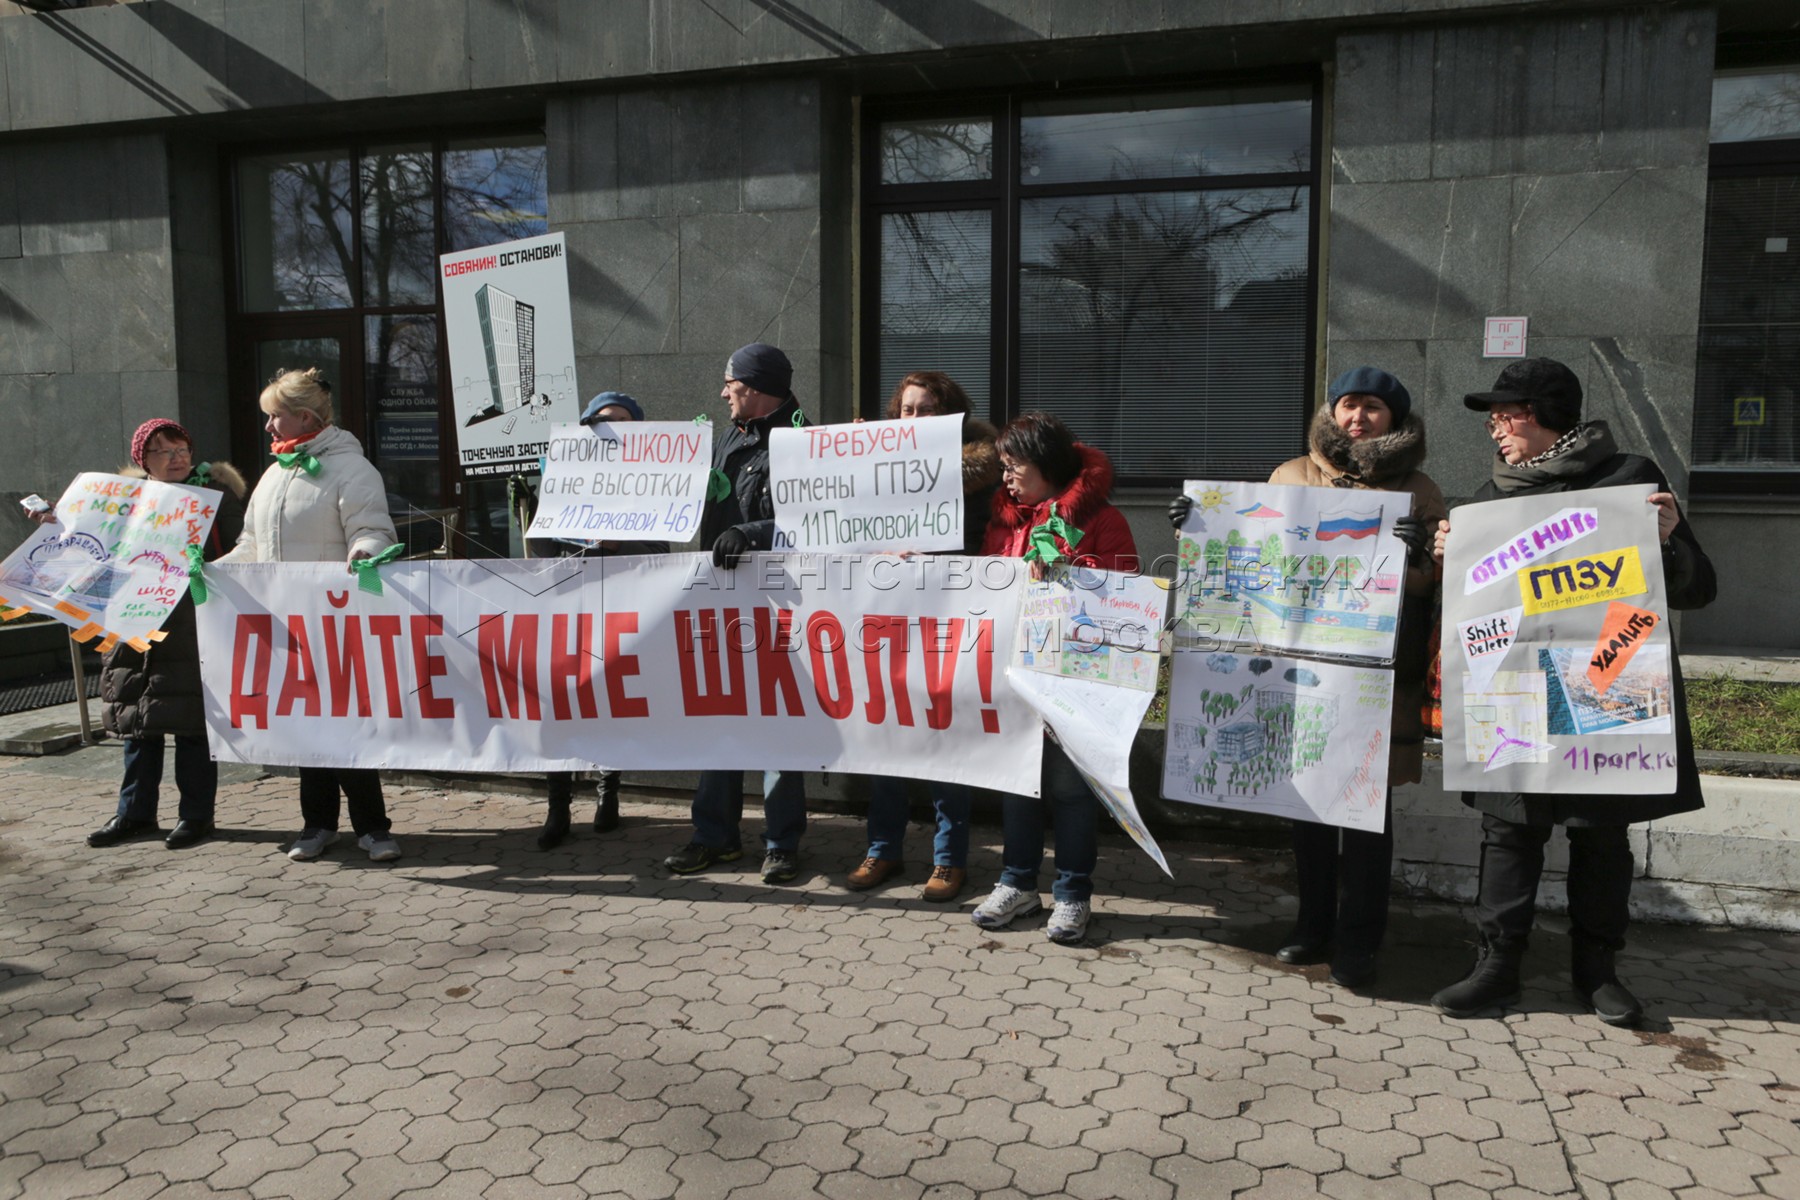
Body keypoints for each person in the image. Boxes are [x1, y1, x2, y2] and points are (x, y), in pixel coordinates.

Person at [1429, 357, 1716, 1027]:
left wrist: (1670, 541)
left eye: (1508, 415)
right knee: (1508, 831)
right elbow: (1470, 615)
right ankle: (1496, 968)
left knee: (1599, 835)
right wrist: (1449, 561)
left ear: (1550, 415)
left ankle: (1597, 972)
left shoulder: (1632, 481)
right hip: (1517, 692)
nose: (1496, 430)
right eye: (1494, 419)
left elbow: (1700, 588)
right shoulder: (1485, 501)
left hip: (1604, 685)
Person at [1169, 368, 1444, 988]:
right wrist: (1195, 522)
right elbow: (1253, 550)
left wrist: (1416, 556)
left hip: (1375, 674)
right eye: (1348, 405)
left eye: (1373, 408)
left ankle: (1361, 939)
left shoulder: (1419, 488)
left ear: (1394, 420)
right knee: (1308, 807)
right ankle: (1311, 924)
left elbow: (1436, 581)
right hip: (1298, 669)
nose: (1358, 418)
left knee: (1366, 817)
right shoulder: (1291, 476)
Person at [218, 368, 405, 864]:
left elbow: (372, 530)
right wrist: (213, 572)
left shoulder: (353, 470)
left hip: (337, 625)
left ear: (303, 417)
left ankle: (373, 827)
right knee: (304, 728)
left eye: (274, 416)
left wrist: (365, 553)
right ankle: (317, 823)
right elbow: (251, 546)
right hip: (285, 625)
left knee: (346, 728)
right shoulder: (272, 475)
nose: (267, 428)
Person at [37, 420, 248, 849]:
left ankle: (195, 816)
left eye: (182, 449)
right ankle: (133, 814)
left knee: (191, 727)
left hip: (192, 628)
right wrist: (55, 522)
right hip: (133, 625)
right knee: (138, 725)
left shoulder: (216, 499)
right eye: (164, 452)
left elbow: (243, 552)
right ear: (143, 461)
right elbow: (86, 547)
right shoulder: (121, 501)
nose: (177, 458)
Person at [971, 411, 1138, 943]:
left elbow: (1124, 598)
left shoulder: (1102, 519)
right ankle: (1018, 882)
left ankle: (1072, 894)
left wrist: (1065, 574)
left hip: (1073, 681)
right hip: (1014, 676)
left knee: (1069, 790)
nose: (1006, 476)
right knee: (1017, 783)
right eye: (1002, 465)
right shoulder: (1003, 522)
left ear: (1046, 464)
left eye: (1014, 464)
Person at [845, 370, 1001, 904]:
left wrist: (931, 557)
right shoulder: (877, 468)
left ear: (950, 417)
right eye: (906, 410)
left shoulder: (980, 475)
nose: (914, 419)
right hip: (887, 617)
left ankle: (948, 859)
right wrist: (852, 456)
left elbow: (985, 547)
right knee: (886, 735)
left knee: (941, 737)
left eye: (926, 409)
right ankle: (883, 847)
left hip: (945, 618)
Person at [662, 343, 809, 885]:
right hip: (723, 594)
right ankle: (714, 837)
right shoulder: (732, 434)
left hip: (778, 600)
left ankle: (781, 843)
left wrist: (748, 533)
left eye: (730, 382)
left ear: (755, 386)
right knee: (721, 714)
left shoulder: (798, 441)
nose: (723, 392)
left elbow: (810, 520)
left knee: (775, 720)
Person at [523, 391, 668, 850]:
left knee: (610, 702)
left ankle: (608, 794)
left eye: (623, 421)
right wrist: (536, 511)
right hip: (568, 607)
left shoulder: (654, 484)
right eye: (603, 421)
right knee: (561, 704)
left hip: (622, 610)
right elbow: (539, 554)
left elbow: (663, 554)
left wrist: (617, 545)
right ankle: (558, 807)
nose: (612, 429)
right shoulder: (561, 478)